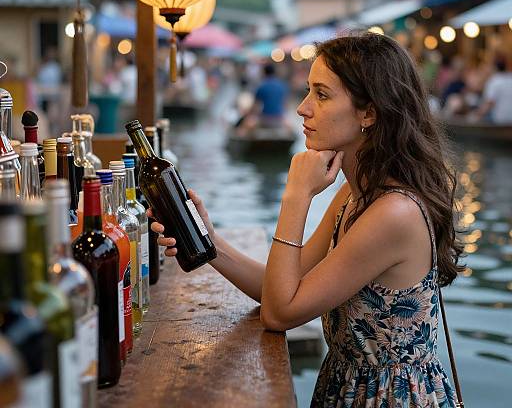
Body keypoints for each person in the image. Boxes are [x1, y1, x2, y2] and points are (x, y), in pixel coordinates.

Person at [150, 32, 463, 407]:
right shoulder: (356, 193)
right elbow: (280, 289)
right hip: (347, 387)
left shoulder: (394, 213)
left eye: (322, 94)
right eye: (308, 91)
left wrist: (296, 195)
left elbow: (280, 313)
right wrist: (208, 239)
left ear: (369, 113)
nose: (302, 107)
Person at [474, 59, 512, 123]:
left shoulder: (494, 80)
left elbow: (489, 103)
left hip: (500, 120)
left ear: (494, 68)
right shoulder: (510, 77)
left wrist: (477, 115)